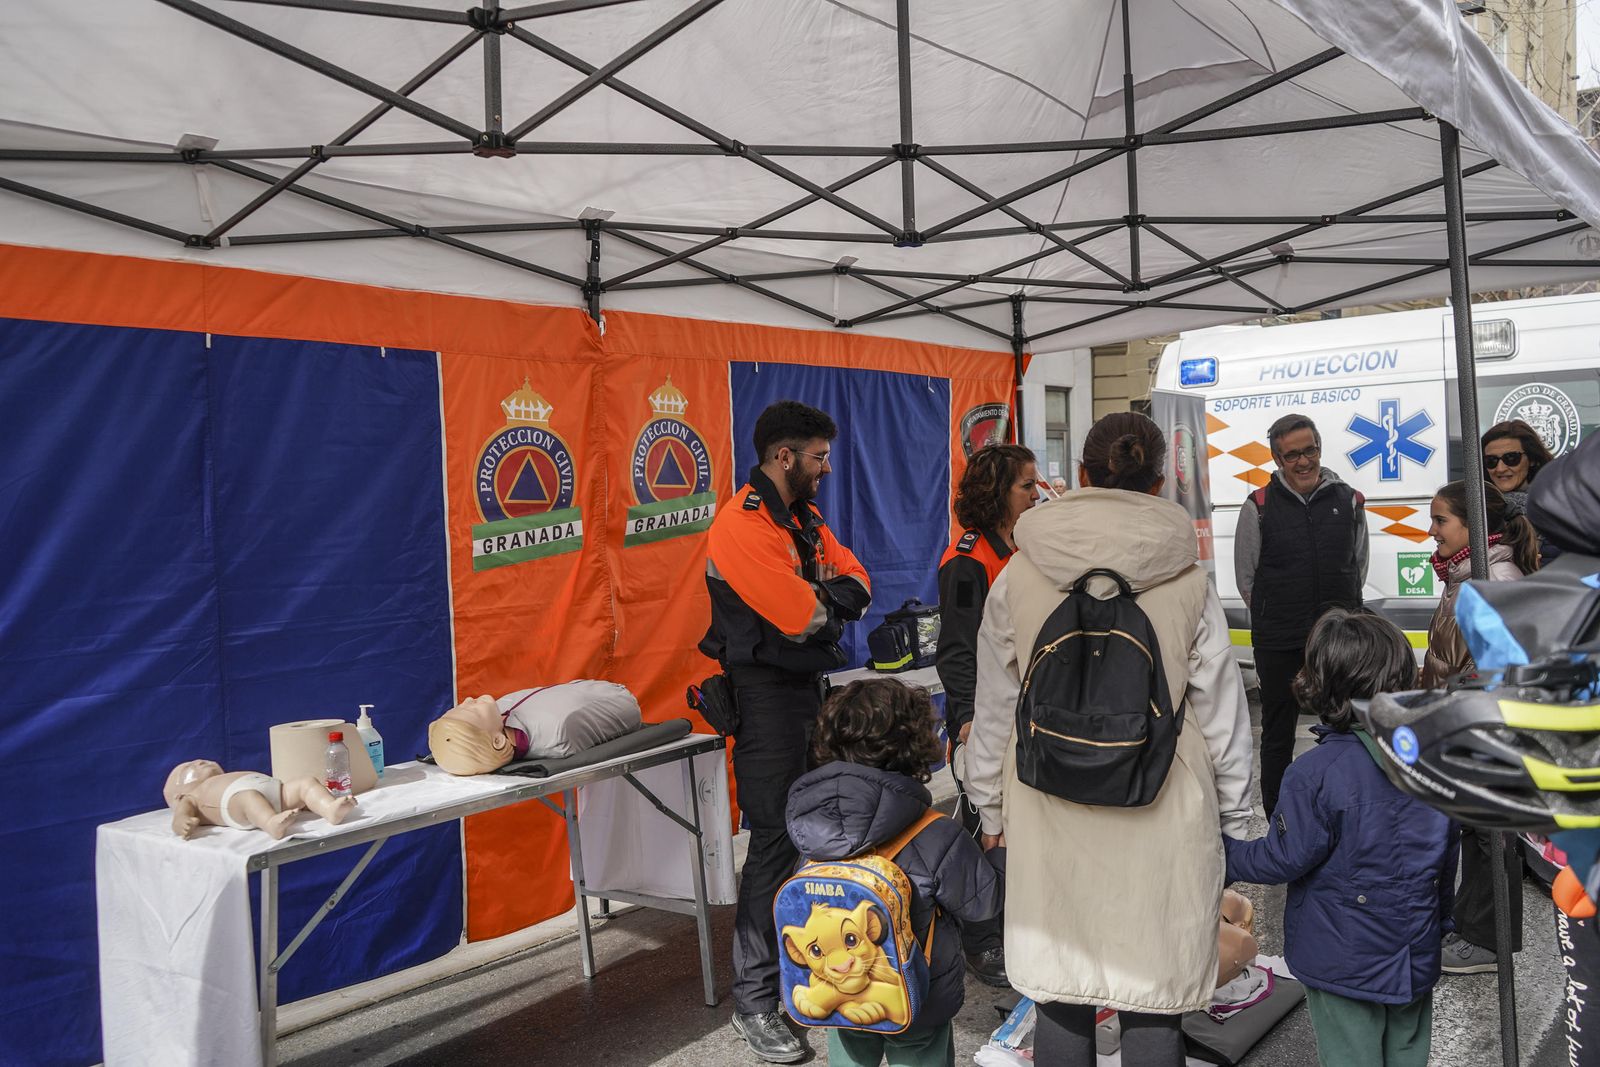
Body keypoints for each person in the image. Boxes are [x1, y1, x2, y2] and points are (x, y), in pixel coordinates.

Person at [966, 412, 1253, 1067]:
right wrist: (1236, 815)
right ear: (1158, 484)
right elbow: (1221, 712)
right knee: (1154, 994)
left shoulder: (1019, 572)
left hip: (1047, 802)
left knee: (1062, 991)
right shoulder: (1185, 575)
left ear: (1087, 476)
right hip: (1164, 804)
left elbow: (994, 706)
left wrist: (988, 806)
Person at [701, 399, 872, 1064]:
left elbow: (859, 580)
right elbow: (805, 618)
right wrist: (822, 598)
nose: (826, 467)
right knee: (773, 844)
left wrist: (824, 596)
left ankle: (808, 974)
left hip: (806, 693)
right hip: (766, 702)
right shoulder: (743, 526)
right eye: (818, 456)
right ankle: (755, 1001)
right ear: (783, 456)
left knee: (819, 839)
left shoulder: (801, 517)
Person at [1225, 609, 1457, 1067]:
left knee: (1351, 1055)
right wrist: (1442, 924)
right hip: (1414, 948)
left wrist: (1224, 854)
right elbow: (1448, 858)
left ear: (1321, 682)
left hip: (1341, 957)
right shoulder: (1432, 765)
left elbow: (1283, 859)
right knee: (1409, 1052)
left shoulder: (1313, 774)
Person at [784, 679, 1004, 1067]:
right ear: (916, 745)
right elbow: (982, 905)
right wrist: (998, 858)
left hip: (838, 993)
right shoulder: (934, 832)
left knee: (850, 1058)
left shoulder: (813, 827)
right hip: (918, 995)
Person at [1422, 479, 1539, 975]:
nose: (1431, 532)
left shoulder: (1493, 580)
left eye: (1440, 520)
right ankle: (1473, 929)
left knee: (1491, 835)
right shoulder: (1463, 576)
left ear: (1474, 527)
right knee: (1476, 830)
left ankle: (1488, 941)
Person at [932, 442, 1037, 987]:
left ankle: (1010, 926)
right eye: (1026, 485)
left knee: (1014, 829)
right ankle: (980, 941)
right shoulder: (969, 561)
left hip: (1020, 711)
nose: (1036, 492)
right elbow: (955, 651)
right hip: (981, 718)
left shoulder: (1021, 546)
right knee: (979, 833)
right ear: (999, 493)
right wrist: (970, 718)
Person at [1234, 413, 1369, 819]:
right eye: (1292, 454)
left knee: (1344, 727)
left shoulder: (1348, 500)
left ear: (1319, 448)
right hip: (1279, 640)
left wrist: (1342, 616)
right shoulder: (1257, 506)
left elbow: (1357, 564)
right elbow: (1246, 577)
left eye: (1309, 450)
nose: (1304, 461)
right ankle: (1279, 816)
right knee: (1277, 734)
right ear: (1277, 459)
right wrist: (1276, 613)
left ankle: (1345, 810)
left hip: (1336, 640)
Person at [1482, 419, 1557, 564]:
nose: (1500, 468)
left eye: (1511, 458)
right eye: (1491, 460)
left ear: (1533, 459)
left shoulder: (1557, 509)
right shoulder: (1473, 509)